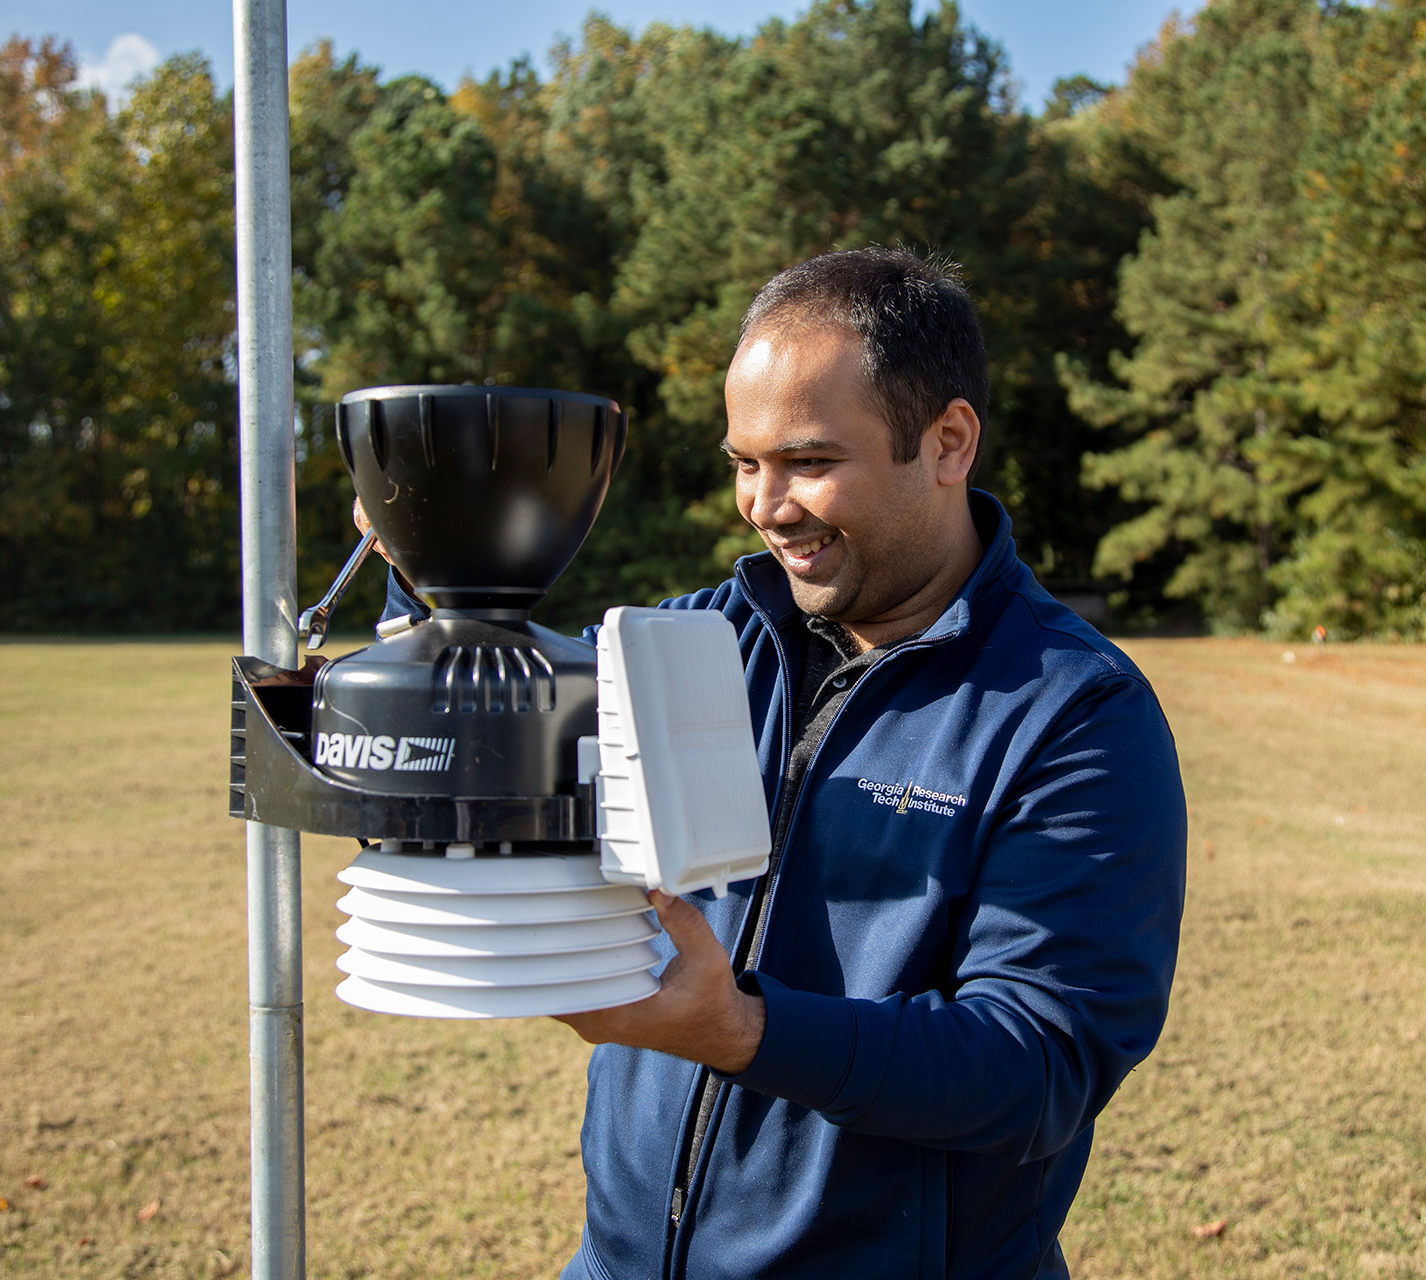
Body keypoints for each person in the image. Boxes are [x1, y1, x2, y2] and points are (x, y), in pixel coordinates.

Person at [377, 247, 1186, 1279]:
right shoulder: (695, 640)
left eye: (807, 461)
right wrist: (428, 578)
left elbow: (1036, 1063)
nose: (766, 504)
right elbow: (495, 712)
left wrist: (747, 1030)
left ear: (947, 441)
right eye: (743, 463)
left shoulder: (1072, 710)